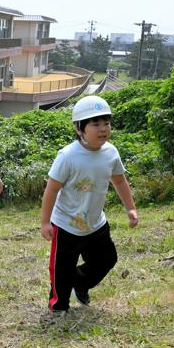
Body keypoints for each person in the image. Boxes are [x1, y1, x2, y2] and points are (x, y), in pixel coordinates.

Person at [40, 95, 138, 313]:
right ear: (79, 128)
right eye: (95, 124)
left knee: (107, 259)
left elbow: (119, 180)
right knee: (61, 271)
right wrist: (45, 222)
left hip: (95, 223)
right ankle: (58, 308)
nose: (103, 129)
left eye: (106, 123)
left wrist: (130, 208)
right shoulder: (68, 156)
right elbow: (52, 189)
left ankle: (81, 283)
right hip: (66, 225)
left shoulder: (111, 152)